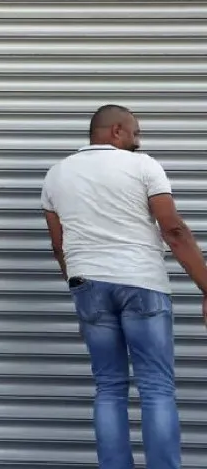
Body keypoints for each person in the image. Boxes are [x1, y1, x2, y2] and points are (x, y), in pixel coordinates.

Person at [41, 104, 207, 469]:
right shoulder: (143, 166)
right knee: (156, 387)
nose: (138, 140)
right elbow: (174, 230)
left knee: (109, 388)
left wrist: (79, 284)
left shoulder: (56, 175)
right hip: (141, 283)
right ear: (116, 131)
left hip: (88, 284)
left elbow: (59, 245)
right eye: (135, 132)